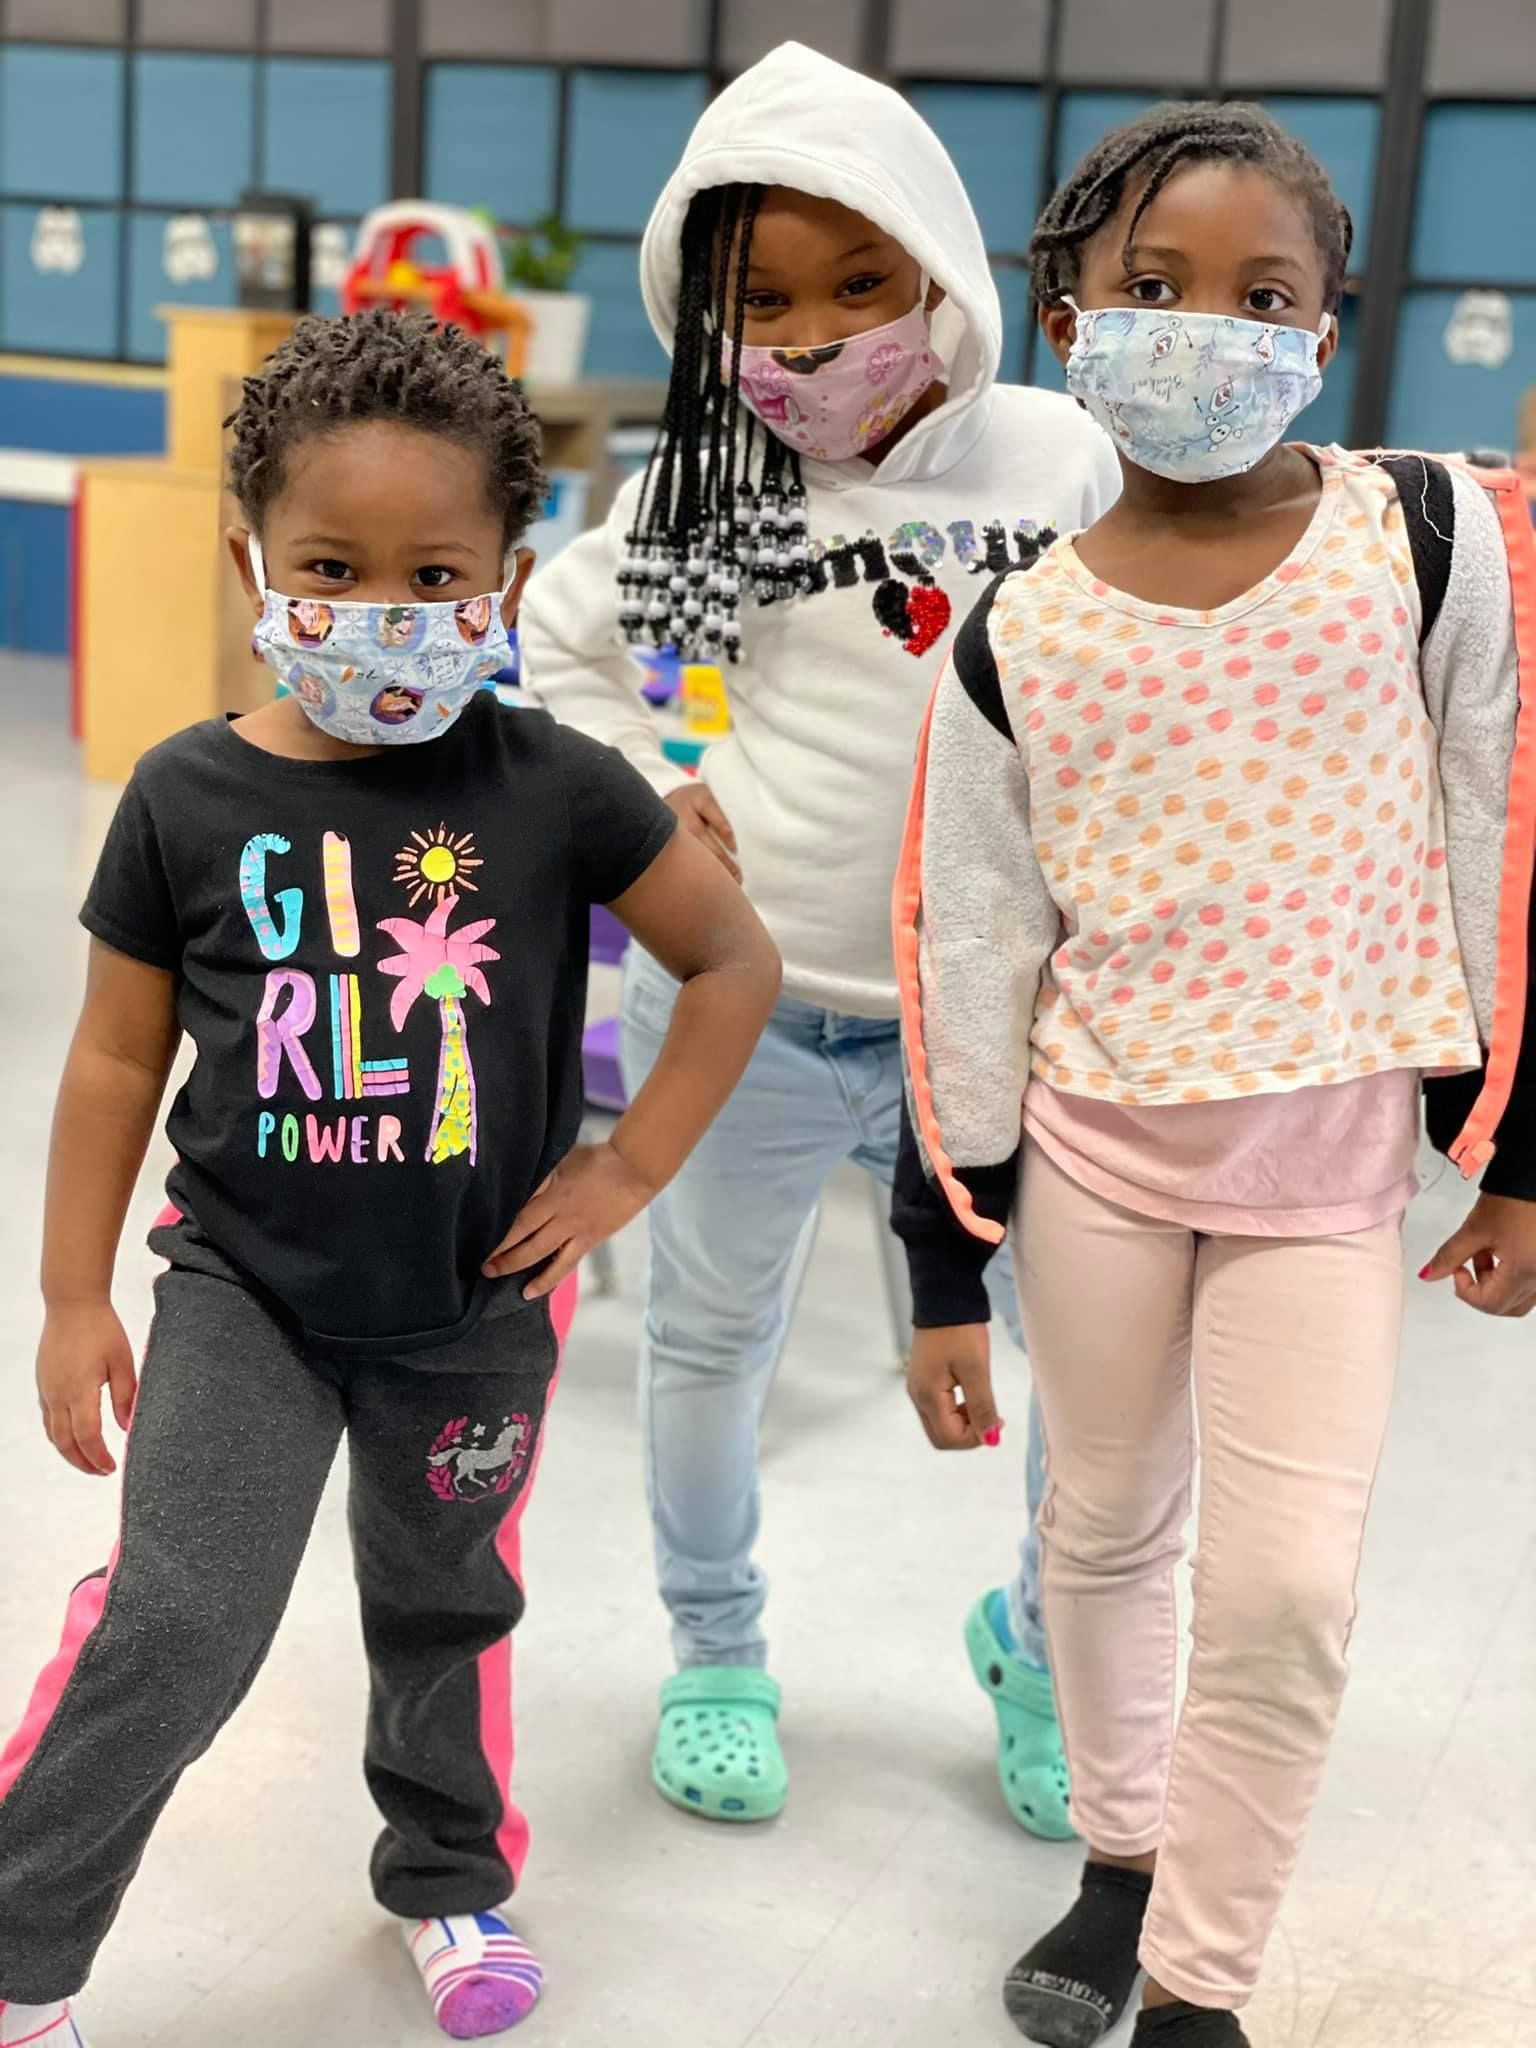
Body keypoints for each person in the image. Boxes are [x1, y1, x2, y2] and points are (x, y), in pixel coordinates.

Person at [0, 309, 780, 2047]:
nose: (385, 614)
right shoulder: (184, 796)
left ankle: (449, 1886)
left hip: (475, 1304)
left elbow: (732, 964)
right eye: (333, 569)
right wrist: (70, 1293)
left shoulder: (557, 786)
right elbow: (119, 1058)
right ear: (249, 561)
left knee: (445, 1607)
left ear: (509, 577)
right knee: (181, 1621)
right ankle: (20, 1951)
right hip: (245, 1293)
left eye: (438, 576)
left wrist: (626, 1167)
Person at [893, 102, 1536, 2048]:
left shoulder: (1418, 544)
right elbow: (980, 945)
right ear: (1072, 311)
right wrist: (944, 1247)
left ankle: (1205, 1985)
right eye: (1154, 286)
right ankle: (1122, 1856)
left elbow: (1488, 823)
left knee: (1283, 1598)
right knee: (1099, 1528)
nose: (1205, 328)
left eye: (1262, 294)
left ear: (1327, 331)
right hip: (1092, 1157)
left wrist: (1511, 1146)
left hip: (1326, 1170)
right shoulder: (1017, 630)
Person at [520, 39, 1120, 1833]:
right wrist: (646, 776)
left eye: (861, 287)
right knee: (714, 1348)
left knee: (1077, 1368)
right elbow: (562, 649)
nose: (810, 336)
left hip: (998, 1032)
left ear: (940, 272)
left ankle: (1040, 1647)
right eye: (760, 301)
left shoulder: (1058, 461)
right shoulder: (719, 486)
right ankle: (715, 1653)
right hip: (749, 1014)